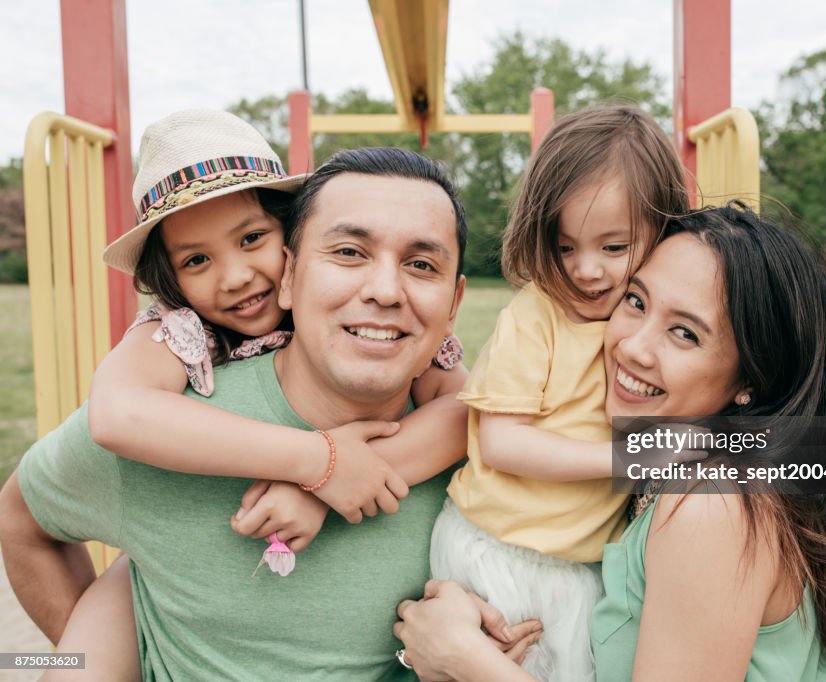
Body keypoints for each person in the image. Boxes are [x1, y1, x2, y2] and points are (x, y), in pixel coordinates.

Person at [0, 145, 498, 680]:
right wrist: (95, 657)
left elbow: (479, 420)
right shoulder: (168, 421)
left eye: (421, 264)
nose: (384, 290)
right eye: (350, 252)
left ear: (454, 302)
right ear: (290, 273)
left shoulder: (500, 437)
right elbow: (25, 516)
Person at [394, 204, 826, 682]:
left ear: (751, 380)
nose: (632, 346)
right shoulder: (676, 469)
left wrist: (464, 659)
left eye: (684, 333)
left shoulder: (711, 505)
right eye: (636, 302)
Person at [431, 105, 689, 682]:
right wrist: (627, 456)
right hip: (499, 549)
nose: (585, 270)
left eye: (614, 248)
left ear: (664, 229)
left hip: (581, 565)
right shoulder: (539, 314)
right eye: (566, 246)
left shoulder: (645, 325)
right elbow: (501, 443)